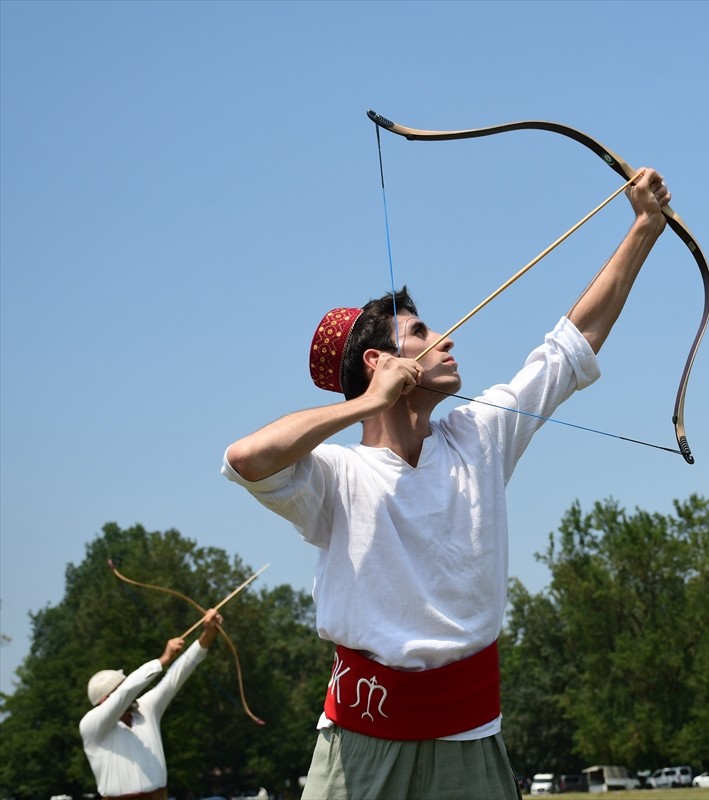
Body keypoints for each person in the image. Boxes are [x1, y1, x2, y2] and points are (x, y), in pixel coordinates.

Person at [222, 168, 672, 800]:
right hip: (361, 742)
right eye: (420, 333)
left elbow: (571, 347)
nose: (445, 338)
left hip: (470, 738)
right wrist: (366, 405)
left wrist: (644, 227)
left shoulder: (477, 435)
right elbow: (246, 458)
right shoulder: (334, 476)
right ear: (380, 363)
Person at [79, 609, 223, 800]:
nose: (129, 693)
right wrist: (163, 659)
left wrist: (208, 635)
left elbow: (176, 676)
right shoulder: (91, 726)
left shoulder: (146, 708)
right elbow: (126, 692)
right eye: (119, 686)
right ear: (105, 700)